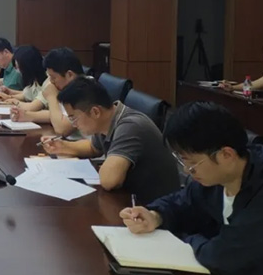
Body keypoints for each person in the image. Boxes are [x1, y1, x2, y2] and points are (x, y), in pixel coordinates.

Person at [120, 102, 263, 275]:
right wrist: (155, 215)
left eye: (192, 164)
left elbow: (223, 257)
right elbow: (183, 201)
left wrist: (186, 239)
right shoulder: (218, 177)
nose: (186, 171)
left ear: (226, 155)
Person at [41, 76, 180, 202]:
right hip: (129, 200)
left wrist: (107, 168)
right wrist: (62, 146)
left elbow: (109, 181)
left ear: (95, 112)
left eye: (73, 118)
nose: (73, 124)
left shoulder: (130, 127)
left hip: (155, 209)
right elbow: (93, 148)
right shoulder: (106, 120)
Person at [8, 47, 84, 136]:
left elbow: (61, 129)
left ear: (69, 75)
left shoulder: (84, 89)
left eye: (53, 77)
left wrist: (51, 96)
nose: (51, 81)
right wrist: (26, 115)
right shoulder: (69, 88)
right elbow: (57, 114)